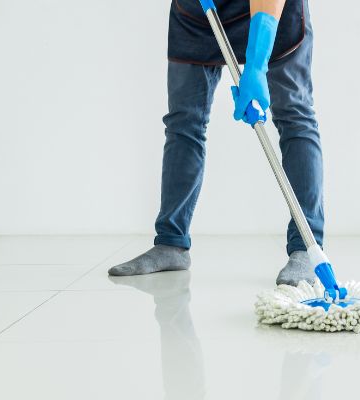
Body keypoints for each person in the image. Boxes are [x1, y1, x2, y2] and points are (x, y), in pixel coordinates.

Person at [108, 0, 323, 286]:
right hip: (198, 13)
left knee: (294, 115)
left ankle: (306, 248)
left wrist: (256, 66)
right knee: (184, 121)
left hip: (273, 14)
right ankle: (171, 243)